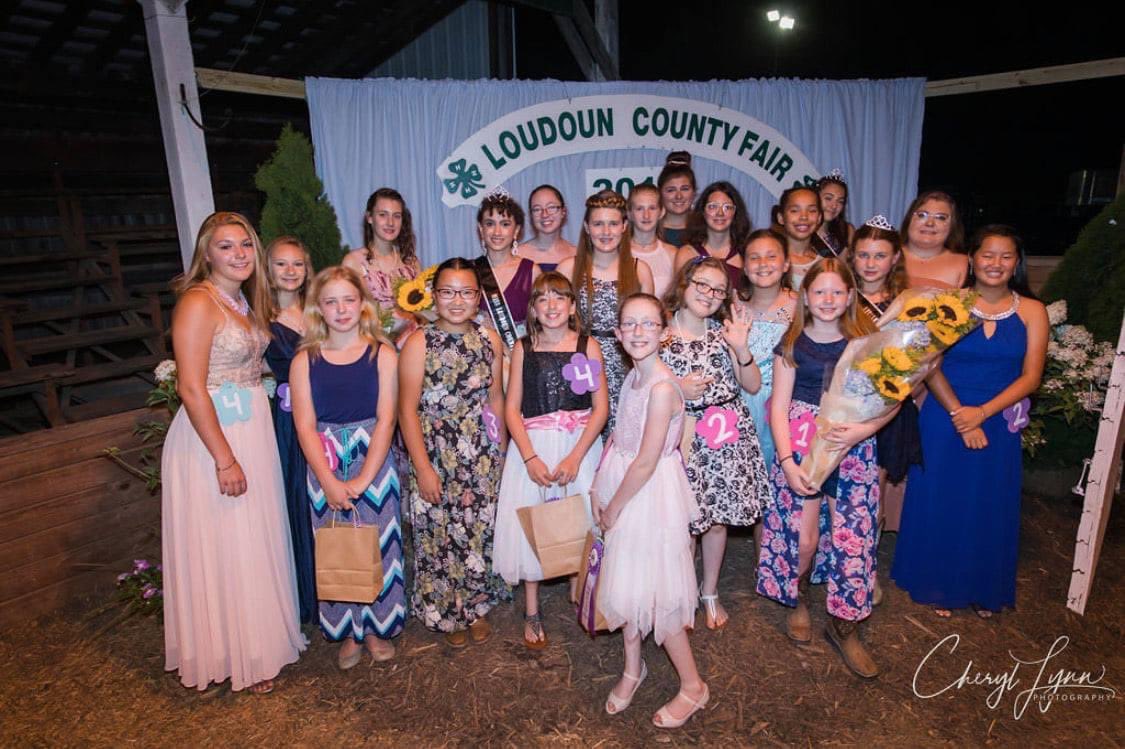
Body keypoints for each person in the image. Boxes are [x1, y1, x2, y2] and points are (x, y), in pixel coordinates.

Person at [162, 212, 305, 694]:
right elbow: (189, 386)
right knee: (228, 538)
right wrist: (224, 458)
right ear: (206, 253)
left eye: (245, 245)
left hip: (254, 426)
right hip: (215, 435)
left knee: (255, 535)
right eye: (226, 246)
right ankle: (234, 652)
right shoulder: (197, 303)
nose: (239, 254)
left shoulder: (244, 301)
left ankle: (261, 640)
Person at [892, 226, 1048, 618]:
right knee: (942, 500)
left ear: (1017, 263)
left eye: (1005, 256)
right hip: (945, 417)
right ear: (973, 260)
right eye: (987, 255)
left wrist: (983, 413)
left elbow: (1031, 377)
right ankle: (935, 583)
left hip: (998, 422)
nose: (995, 263)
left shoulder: (1033, 311)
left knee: (987, 504)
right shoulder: (949, 304)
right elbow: (929, 364)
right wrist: (963, 415)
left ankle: (982, 587)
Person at [756, 258, 894, 680]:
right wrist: (785, 460)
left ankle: (846, 623)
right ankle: (797, 598)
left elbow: (891, 401)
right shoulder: (791, 343)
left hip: (852, 448)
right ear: (805, 298)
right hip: (802, 448)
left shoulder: (868, 342)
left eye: (837, 292)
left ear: (851, 296)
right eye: (820, 292)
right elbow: (778, 407)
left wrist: (862, 430)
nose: (829, 300)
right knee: (805, 540)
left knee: (853, 539)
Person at [593, 293, 708, 729]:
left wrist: (614, 508)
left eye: (648, 324)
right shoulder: (632, 377)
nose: (638, 332)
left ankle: (694, 686)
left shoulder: (661, 388)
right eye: (630, 325)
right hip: (623, 482)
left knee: (659, 596)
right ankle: (632, 668)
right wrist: (597, 485)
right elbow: (619, 436)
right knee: (627, 582)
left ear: (663, 332)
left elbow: (645, 460)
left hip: (649, 494)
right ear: (619, 335)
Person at [290, 266, 404, 668]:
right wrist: (328, 480)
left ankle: (376, 627)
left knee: (377, 545)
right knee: (336, 546)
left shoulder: (383, 353)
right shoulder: (305, 359)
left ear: (363, 305)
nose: (341, 310)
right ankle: (347, 631)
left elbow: (387, 418)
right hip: (324, 457)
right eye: (331, 302)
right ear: (319, 309)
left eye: (349, 300)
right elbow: (303, 424)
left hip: (373, 453)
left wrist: (363, 478)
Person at [398, 258, 510, 647]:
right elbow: (407, 409)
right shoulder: (418, 342)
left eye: (466, 292)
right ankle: (446, 612)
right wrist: (423, 467)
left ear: (478, 297)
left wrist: (502, 453)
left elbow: (496, 398)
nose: (457, 300)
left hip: (481, 453)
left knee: (478, 528)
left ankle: (476, 606)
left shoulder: (489, 339)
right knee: (440, 533)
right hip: (436, 453)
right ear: (434, 296)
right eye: (448, 292)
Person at [494, 272, 608, 648]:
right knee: (533, 520)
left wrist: (577, 456)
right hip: (535, 445)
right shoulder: (523, 348)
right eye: (543, 299)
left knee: (581, 518)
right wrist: (529, 457)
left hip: (579, 444)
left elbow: (600, 407)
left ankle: (581, 590)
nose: (552, 306)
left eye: (560, 298)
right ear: (533, 310)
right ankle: (531, 608)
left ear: (572, 306)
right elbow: (511, 409)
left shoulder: (588, 346)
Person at [660, 258, 771, 630]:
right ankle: (684, 592)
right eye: (701, 284)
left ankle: (710, 590)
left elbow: (753, 385)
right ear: (684, 283)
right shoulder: (662, 335)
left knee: (717, 522)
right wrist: (678, 387)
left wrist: (742, 348)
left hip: (726, 438)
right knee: (686, 520)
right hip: (684, 438)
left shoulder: (726, 333)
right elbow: (646, 390)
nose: (708, 294)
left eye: (718, 289)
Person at [846, 217, 921, 540]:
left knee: (871, 493)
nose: (870, 263)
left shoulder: (908, 304)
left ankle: (865, 568)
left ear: (894, 259)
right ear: (852, 257)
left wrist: (895, 392)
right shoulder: (838, 296)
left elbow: (921, 361)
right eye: (863, 255)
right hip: (841, 404)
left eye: (879, 256)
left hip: (887, 410)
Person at [557, 190, 654, 438]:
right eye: (598, 224)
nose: (606, 232)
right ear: (587, 227)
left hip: (627, 367)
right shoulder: (568, 268)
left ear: (624, 226)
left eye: (613, 223)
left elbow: (652, 330)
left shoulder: (639, 270)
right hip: (578, 367)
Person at [263, 236, 316, 626]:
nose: (290, 271)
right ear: (268, 269)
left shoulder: (316, 313)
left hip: (324, 416)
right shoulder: (256, 319)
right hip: (284, 420)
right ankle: (300, 598)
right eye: (281, 264)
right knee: (293, 499)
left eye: (297, 264)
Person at [732, 229, 797, 470]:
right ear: (745, 266)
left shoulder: (801, 305)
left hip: (784, 403)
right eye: (754, 257)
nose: (763, 264)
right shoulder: (734, 303)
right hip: (739, 404)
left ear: (786, 263)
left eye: (771, 256)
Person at [342, 188, 421, 344]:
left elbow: (422, 310)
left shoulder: (412, 263)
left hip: (411, 346)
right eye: (383, 215)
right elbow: (348, 311)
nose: (390, 223)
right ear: (370, 218)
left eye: (396, 216)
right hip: (372, 345)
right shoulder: (353, 261)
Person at [474, 187, 540, 345]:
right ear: (481, 229)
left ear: (516, 230)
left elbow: (541, 324)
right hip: (479, 358)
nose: (497, 231)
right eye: (490, 224)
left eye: (505, 224)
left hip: (519, 359)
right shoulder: (469, 271)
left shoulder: (531, 271)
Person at [674, 180, 750, 288]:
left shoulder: (746, 255)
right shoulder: (686, 254)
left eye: (727, 207)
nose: (720, 213)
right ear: (703, 211)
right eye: (713, 206)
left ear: (735, 213)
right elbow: (679, 298)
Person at [899, 190, 968, 289]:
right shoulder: (885, 257)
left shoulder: (967, 265)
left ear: (952, 225)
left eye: (941, 218)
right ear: (909, 219)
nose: (930, 223)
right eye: (922, 215)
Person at [628, 183, 678, 298]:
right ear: (629, 213)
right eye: (639, 209)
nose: (646, 215)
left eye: (652, 208)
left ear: (661, 212)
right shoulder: (618, 253)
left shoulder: (672, 254)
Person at [773, 186, 823, 289]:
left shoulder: (825, 265)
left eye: (812, 210)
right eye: (795, 210)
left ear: (819, 218)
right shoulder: (771, 261)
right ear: (781, 218)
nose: (804, 216)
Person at [519, 184, 576, 272]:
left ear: (563, 211)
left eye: (551, 207)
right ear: (531, 215)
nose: (544, 214)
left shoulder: (577, 255)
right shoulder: (517, 255)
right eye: (537, 209)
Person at [656, 151, 697, 248]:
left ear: (694, 192)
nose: (679, 196)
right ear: (660, 193)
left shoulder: (705, 230)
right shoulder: (649, 230)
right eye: (671, 190)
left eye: (685, 189)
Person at [812, 171, 854, 257]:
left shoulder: (847, 231)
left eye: (840, 201)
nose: (834, 206)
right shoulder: (803, 230)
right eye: (828, 198)